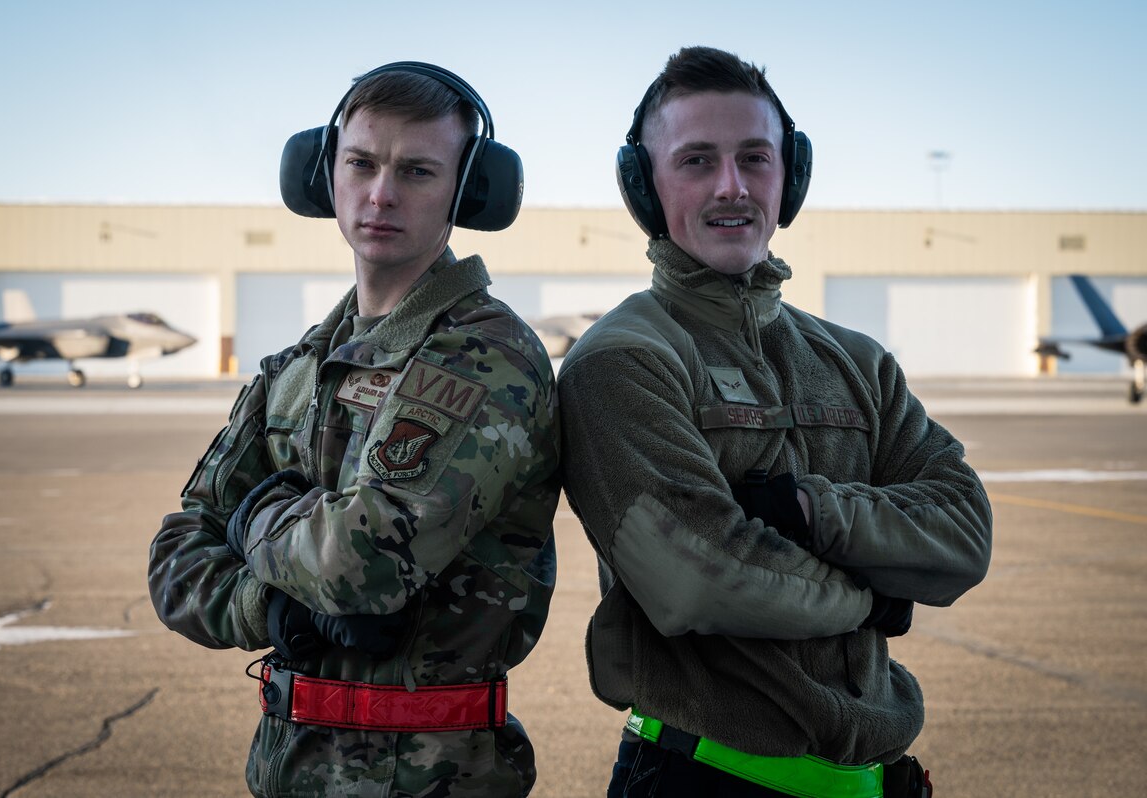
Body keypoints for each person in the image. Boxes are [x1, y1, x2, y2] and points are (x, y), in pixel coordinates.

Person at [557, 46, 991, 797]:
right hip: (704, 778)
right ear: (644, 187)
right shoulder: (623, 360)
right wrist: (876, 596)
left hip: (876, 781)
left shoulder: (857, 362)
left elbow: (963, 532)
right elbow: (699, 578)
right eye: (696, 160)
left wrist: (810, 511)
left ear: (790, 176)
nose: (731, 186)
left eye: (754, 158)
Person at [148, 62, 560, 797]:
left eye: (418, 171)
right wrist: (267, 607)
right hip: (289, 765)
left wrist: (258, 514)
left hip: (430, 777)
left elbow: (357, 564)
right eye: (362, 163)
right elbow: (177, 553)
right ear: (323, 175)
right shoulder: (301, 363)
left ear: (465, 192)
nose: (381, 193)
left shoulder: (484, 356)